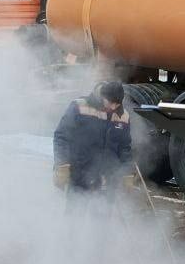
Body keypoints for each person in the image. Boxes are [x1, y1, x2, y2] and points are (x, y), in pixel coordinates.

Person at [52, 80, 132, 208]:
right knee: (75, 219)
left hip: (107, 179)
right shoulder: (79, 106)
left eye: (116, 104)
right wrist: (62, 165)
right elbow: (61, 136)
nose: (112, 107)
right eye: (110, 102)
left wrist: (127, 172)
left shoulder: (123, 116)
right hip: (80, 175)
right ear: (102, 96)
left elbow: (125, 147)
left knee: (100, 222)